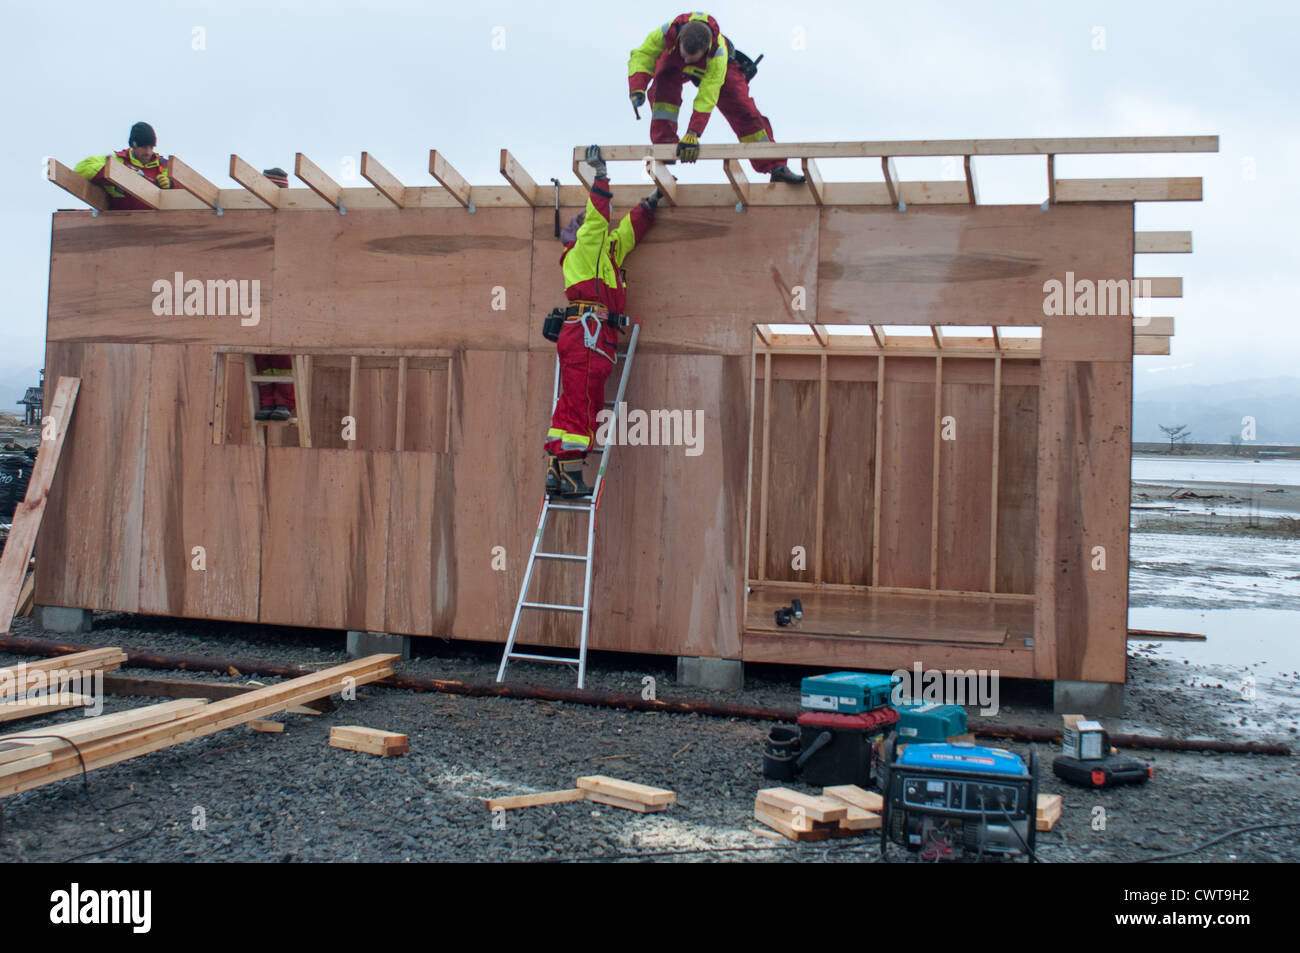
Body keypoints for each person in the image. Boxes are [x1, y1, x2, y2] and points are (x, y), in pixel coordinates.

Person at [545, 146, 659, 497]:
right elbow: (598, 219)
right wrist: (601, 175)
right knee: (583, 406)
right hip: (587, 338)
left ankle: (557, 472)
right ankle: (571, 475)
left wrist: (650, 206)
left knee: (571, 403)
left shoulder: (604, 253)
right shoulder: (586, 247)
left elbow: (626, 234)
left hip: (586, 337)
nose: (600, 228)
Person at [628, 13, 804, 183]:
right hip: (673, 57)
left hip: (721, 69)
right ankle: (664, 150)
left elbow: (708, 95)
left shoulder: (717, 56)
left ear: (705, 50)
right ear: (679, 39)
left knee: (744, 110)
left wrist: (693, 133)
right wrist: (637, 88)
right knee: (663, 87)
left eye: (691, 57)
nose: (687, 60)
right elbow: (644, 54)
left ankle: (775, 166)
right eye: (684, 55)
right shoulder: (667, 32)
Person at [254, 169, 295, 421]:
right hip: (259, 296)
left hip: (280, 296)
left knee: (279, 356)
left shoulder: (288, 216)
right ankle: (268, 402)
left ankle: (283, 405)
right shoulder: (255, 214)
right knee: (261, 356)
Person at [74, 121, 172, 210]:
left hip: (157, 223)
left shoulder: (163, 165)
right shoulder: (118, 160)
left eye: (151, 147)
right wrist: (120, 174)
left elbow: (184, 192)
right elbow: (81, 168)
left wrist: (171, 184)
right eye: (143, 147)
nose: (148, 152)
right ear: (133, 145)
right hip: (120, 223)